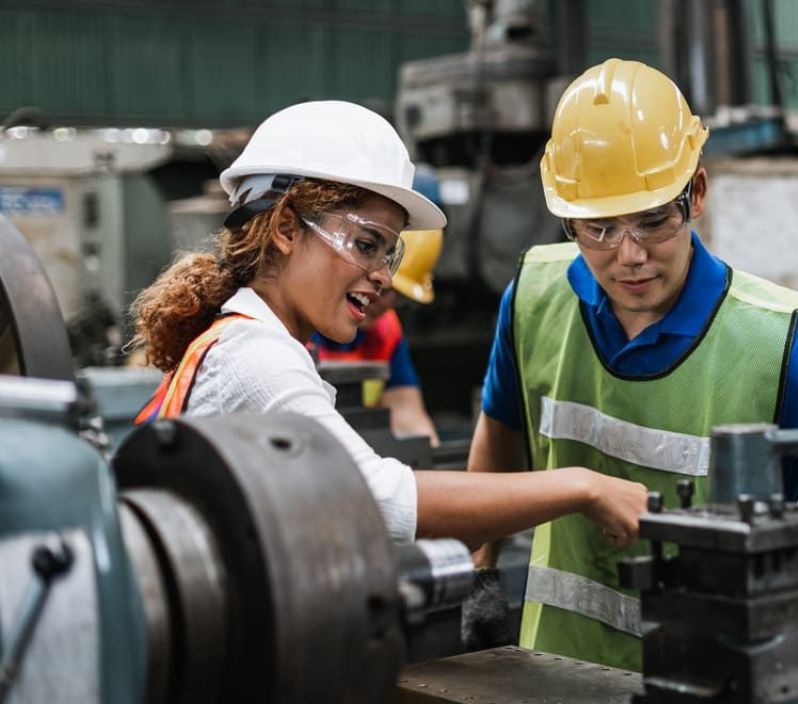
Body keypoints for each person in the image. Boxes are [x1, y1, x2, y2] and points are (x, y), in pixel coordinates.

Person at [468, 59, 798, 671]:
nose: (629, 256)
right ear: (568, 220)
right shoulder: (534, 295)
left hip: (714, 689)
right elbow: (499, 432)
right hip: (553, 672)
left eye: (654, 220)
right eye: (599, 228)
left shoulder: (777, 340)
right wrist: (480, 571)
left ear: (698, 195)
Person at [130, 100, 648, 551]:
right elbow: (377, 499)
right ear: (287, 228)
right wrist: (583, 488)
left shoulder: (243, 340)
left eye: (388, 252)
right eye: (365, 244)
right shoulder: (256, 355)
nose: (381, 277)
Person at [313, 229, 442, 446]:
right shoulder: (297, 323)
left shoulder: (386, 330)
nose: (384, 302)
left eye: (399, 296)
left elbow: (408, 416)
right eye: (382, 289)